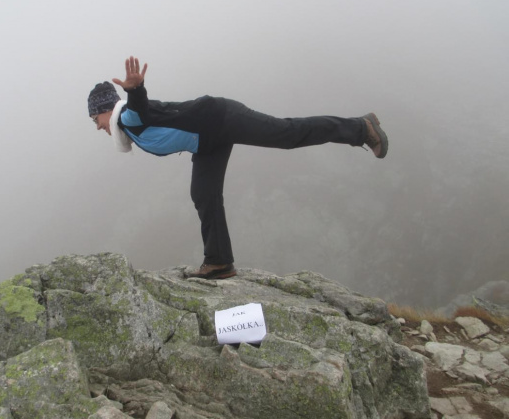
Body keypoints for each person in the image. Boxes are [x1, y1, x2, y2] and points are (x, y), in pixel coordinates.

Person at [88, 56, 388, 280]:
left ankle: (361, 128)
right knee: (203, 194)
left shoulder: (127, 118)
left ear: (106, 111)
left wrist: (137, 90)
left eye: (95, 120)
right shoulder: (131, 129)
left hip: (220, 119)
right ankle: (218, 260)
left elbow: (140, 107)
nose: (98, 127)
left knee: (287, 134)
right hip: (207, 142)